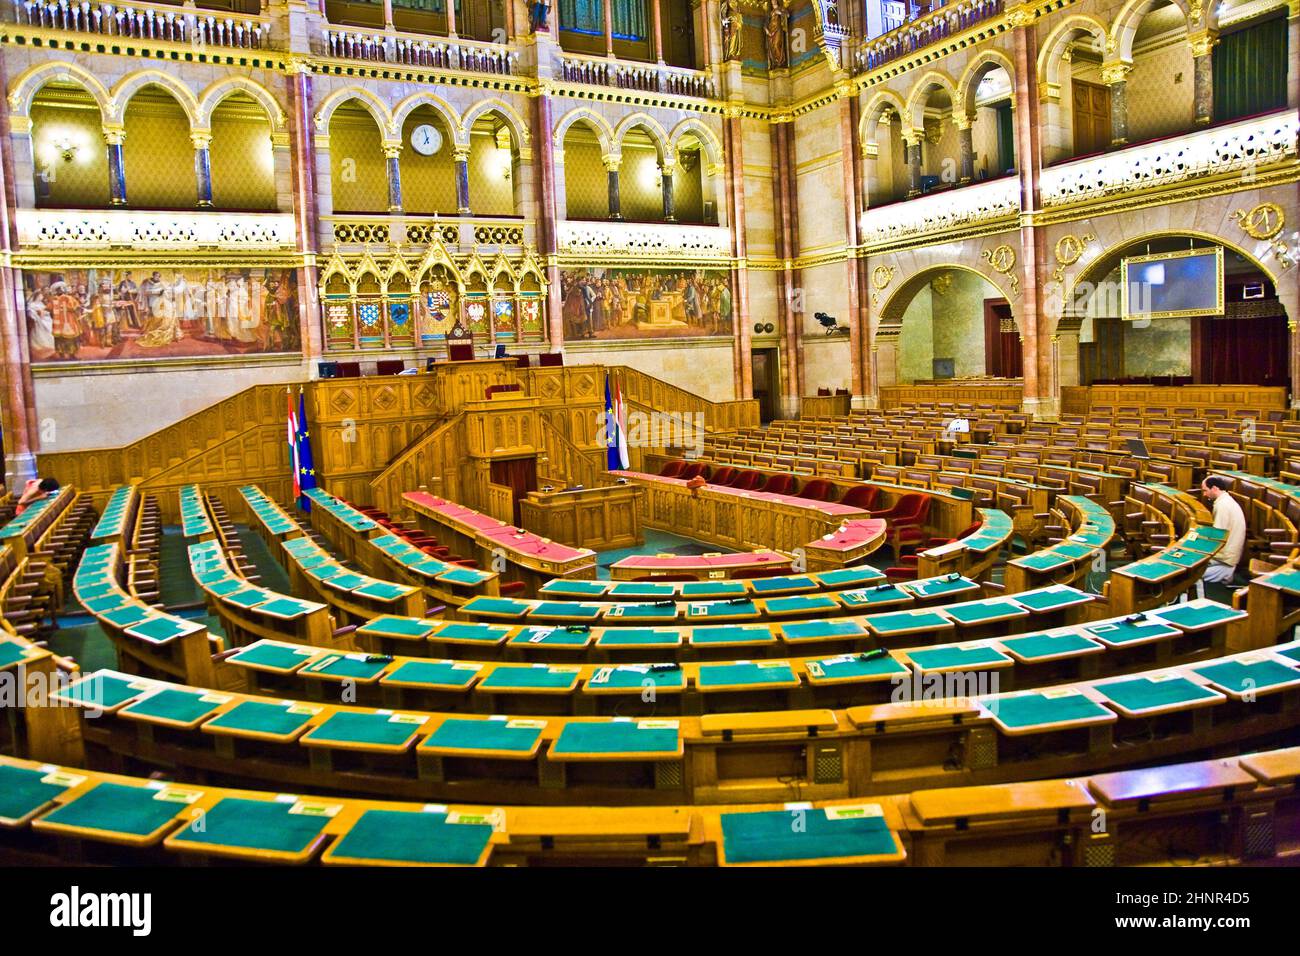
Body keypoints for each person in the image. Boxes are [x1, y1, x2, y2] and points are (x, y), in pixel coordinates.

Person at [1201, 476, 1247, 585]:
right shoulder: (1224, 501)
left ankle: (1226, 574)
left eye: (1205, 490)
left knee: (1190, 575)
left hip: (1225, 560)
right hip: (1224, 556)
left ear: (1215, 488)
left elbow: (1217, 536)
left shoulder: (1223, 506)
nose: (1204, 494)